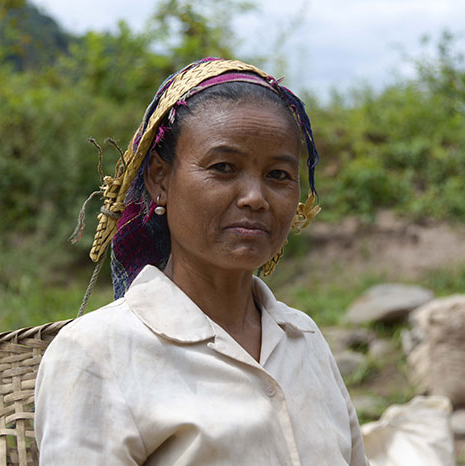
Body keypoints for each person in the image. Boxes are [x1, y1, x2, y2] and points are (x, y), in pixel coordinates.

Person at [34, 58, 368, 465]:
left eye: (279, 175)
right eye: (223, 168)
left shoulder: (305, 339)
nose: (255, 198)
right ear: (160, 179)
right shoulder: (96, 353)